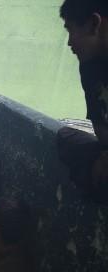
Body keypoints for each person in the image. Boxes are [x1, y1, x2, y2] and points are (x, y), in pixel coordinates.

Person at [57, 0, 108, 203]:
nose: (69, 42)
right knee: (66, 139)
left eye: (71, 30)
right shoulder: (89, 67)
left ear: (94, 24)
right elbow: (101, 127)